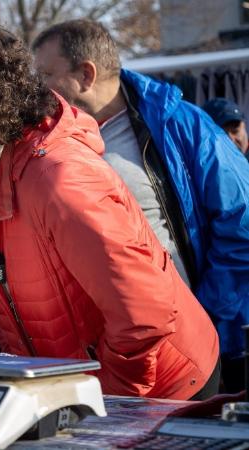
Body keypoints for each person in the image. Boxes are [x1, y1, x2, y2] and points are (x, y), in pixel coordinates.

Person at [0, 22, 219, 400]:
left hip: (165, 382)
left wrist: (104, 401)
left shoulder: (60, 179)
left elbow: (144, 314)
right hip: (72, 383)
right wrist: (37, 374)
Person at [32, 19, 249, 394]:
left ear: (86, 74)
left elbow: (241, 221)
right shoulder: (49, 140)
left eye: (47, 74)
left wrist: (206, 311)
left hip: (191, 350)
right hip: (106, 355)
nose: (38, 88)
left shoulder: (181, 126)